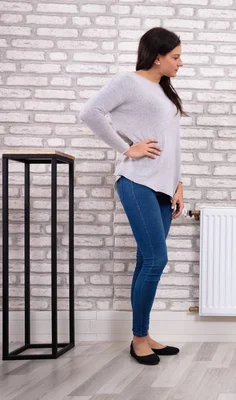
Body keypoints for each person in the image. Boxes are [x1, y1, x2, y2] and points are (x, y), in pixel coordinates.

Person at [80, 27, 185, 365]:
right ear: (157, 56)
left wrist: (179, 183)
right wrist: (128, 148)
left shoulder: (163, 91)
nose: (180, 63)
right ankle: (139, 339)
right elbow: (90, 113)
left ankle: (144, 333)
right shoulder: (128, 82)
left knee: (146, 260)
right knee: (157, 259)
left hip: (163, 187)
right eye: (176, 57)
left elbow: (170, 143)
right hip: (137, 181)